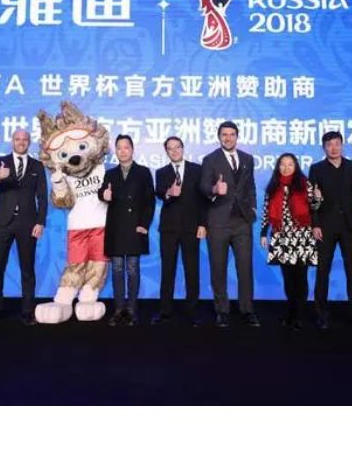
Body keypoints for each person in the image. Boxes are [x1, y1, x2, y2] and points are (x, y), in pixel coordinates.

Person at [0, 129, 48, 327]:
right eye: (18, 139)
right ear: (12, 141)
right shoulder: (0, 161)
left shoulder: (37, 165)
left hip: (28, 223)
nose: (21, 142)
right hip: (2, 222)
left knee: (28, 269)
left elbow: (42, 197)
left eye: (25, 139)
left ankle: (27, 312)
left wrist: (40, 222)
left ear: (29, 142)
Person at [200, 121, 260, 328]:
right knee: (218, 268)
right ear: (219, 137)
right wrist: (215, 189)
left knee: (245, 268)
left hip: (242, 221)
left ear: (237, 136)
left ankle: (247, 310)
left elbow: (251, 186)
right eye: (224, 134)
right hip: (218, 222)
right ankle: (222, 311)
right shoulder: (210, 160)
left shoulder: (247, 159)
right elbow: (203, 187)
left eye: (232, 134)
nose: (228, 138)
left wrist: (253, 207)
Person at [308, 131, 352, 330]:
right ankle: (322, 315)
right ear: (324, 147)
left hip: (349, 226)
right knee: (322, 271)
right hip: (325, 226)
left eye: (337, 144)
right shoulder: (316, 169)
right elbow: (312, 201)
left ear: (342, 145)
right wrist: (315, 224)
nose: (333, 148)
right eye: (329, 145)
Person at [260, 153, 322, 331]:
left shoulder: (304, 184)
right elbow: (267, 212)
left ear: (296, 167)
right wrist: (264, 234)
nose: (286, 168)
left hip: (301, 237)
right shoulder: (273, 187)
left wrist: (317, 198)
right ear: (278, 167)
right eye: (283, 164)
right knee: (288, 279)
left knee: (300, 278)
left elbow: (314, 208)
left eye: (290, 164)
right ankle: (291, 313)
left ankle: (298, 316)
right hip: (281, 237)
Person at [98, 135, 155, 326]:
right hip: (116, 227)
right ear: (116, 150)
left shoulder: (143, 172)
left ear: (132, 149)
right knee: (117, 269)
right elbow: (102, 192)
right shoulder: (110, 174)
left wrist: (144, 224)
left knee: (132, 269)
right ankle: (118, 309)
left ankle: (131, 309)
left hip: (135, 227)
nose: (122, 151)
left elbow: (149, 202)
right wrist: (104, 194)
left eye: (126, 147)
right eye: (119, 148)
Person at [152, 136, 208, 326]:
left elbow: (203, 200)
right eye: (170, 148)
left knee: (192, 270)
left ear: (183, 148)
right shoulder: (161, 172)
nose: (174, 151)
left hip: (192, 228)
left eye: (177, 147)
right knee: (167, 270)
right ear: (166, 151)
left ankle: (192, 311)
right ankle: (165, 311)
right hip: (169, 228)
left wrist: (203, 224)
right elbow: (160, 192)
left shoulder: (197, 170)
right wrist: (169, 192)